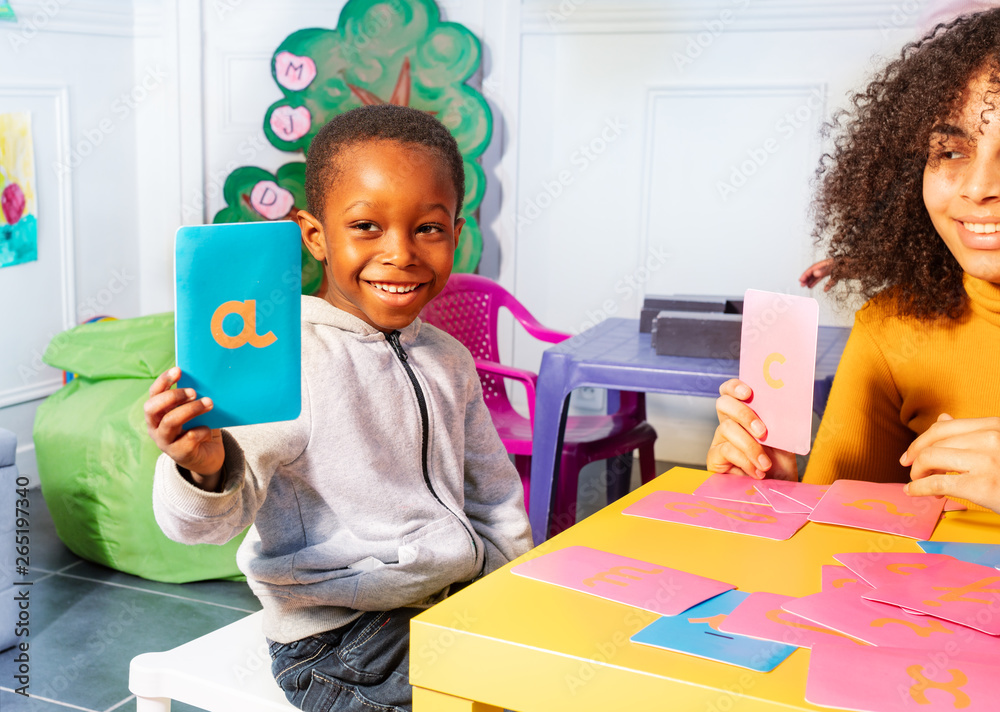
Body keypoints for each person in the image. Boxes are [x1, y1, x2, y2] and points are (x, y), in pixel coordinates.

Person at [144, 104, 533, 712]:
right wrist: (201, 468)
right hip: (341, 639)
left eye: (428, 228)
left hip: (452, 601)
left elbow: (495, 495)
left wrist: (510, 592)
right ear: (315, 235)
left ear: (456, 233)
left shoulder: (450, 358)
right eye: (367, 227)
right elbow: (202, 526)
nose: (401, 252)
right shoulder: (284, 357)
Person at [706, 8, 1000, 514]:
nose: (977, 188)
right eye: (949, 152)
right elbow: (829, 543)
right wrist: (776, 493)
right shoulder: (890, 330)